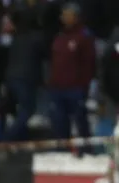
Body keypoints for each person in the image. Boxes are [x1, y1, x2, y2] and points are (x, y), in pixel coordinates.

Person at [47, 4, 95, 155]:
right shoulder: (59, 36)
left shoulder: (84, 36)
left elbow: (89, 63)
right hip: (57, 88)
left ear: (76, 16)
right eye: (63, 15)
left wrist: (85, 86)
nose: (63, 18)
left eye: (67, 15)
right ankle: (62, 150)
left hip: (76, 88)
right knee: (59, 121)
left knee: (81, 121)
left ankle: (86, 150)